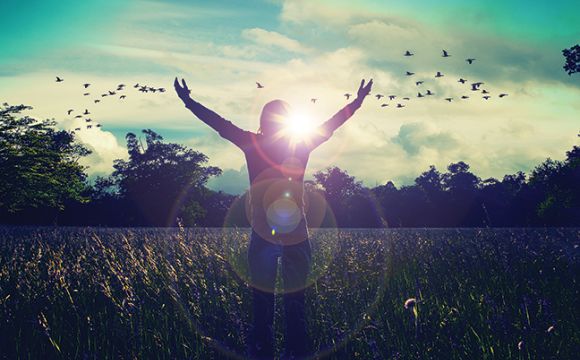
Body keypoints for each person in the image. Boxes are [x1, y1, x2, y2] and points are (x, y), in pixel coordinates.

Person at [174, 77, 372, 358]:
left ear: (264, 121)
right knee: (294, 300)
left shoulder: (252, 141)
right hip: (292, 229)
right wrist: (359, 100)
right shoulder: (299, 143)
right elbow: (332, 124)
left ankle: (264, 353)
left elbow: (219, 123)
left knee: (264, 299)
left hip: (266, 228)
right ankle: (293, 353)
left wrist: (188, 101)